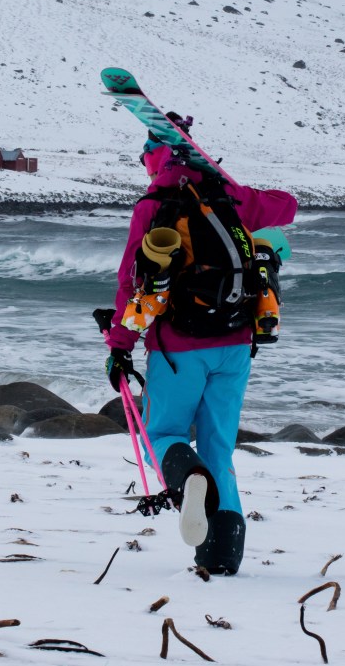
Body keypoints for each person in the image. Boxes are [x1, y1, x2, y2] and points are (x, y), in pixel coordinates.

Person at [105, 124, 298, 575]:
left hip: (178, 348)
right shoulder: (232, 200)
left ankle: (189, 479)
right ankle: (222, 557)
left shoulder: (154, 206)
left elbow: (130, 282)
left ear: (155, 160)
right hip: (235, 345)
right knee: (218, 448)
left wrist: (120, 344)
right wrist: (227, 183)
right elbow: (286, 206)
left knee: (163, 434)